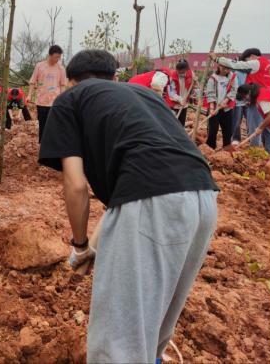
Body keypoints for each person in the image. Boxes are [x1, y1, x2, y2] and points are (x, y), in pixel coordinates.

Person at [39, 49, 218, 363]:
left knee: (118, 344)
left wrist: (80, 245)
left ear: (71, 81)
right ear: (114, 77)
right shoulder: (144, 96)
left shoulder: (70, 100)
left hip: (152, 201)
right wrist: (94, 247)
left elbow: (76, 185)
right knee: (154, 327)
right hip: (203, 197)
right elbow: (128, 190)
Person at [216, 49, 270, 147]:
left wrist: (217, 59)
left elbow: (236, 65)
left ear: (252, 56)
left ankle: (255, 150)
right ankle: (268, 152)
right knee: (268, 130)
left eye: (246, 61)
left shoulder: (256, 63)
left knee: (254, 128)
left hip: (257, 100)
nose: (247, 63)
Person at [27, 45, 67, 142]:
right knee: (42, 123)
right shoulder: (39, 66)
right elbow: (32, 81)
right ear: (50, 55)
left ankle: (51, 143)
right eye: (56, 57)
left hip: (55, 101)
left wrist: (63, 99)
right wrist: (29, 95)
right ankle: (42, 144)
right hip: (41, 100)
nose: (58, 59)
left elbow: (62, 85)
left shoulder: (61, 68)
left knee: (53, 124)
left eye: (59, 57)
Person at [204, 58, 238, 149]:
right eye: (224, 68)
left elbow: (234, 91)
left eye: (228, 69)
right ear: (219, 67)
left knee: (228, 130)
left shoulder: (233, 77)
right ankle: (210, 148)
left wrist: (225, 101)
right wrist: (212, 108)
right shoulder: (213, 78)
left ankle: (226, 148)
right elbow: (210, 93)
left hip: (227, 108)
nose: (226, 71)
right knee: (212, 129)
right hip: (215, 108)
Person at [236, 83, 270, 152]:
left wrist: (260, 128)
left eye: (245, 98)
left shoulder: (262, 99)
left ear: (249, 92)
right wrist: (261, 127)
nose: (245, 101)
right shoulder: (260, 91)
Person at [170, 59, 197, 126]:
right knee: (173, 123)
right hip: (174, 104)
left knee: (181, 123)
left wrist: (195, 83)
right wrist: (180, 99)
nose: (180, 73)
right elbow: (171, 93)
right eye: (178, 71)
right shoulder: (172, 76)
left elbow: (194, 88)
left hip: (184, 104)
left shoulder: (191, 74)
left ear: (186, 70)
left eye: (182, 71)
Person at [231, 69, 248, 145]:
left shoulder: (252, 72)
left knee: (251, 121)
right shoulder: (236, 73)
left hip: (249, 101)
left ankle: (252, 138)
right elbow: (232, 86)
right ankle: (236, 138)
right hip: (238, 102)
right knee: (236, 121)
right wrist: (237, 94)